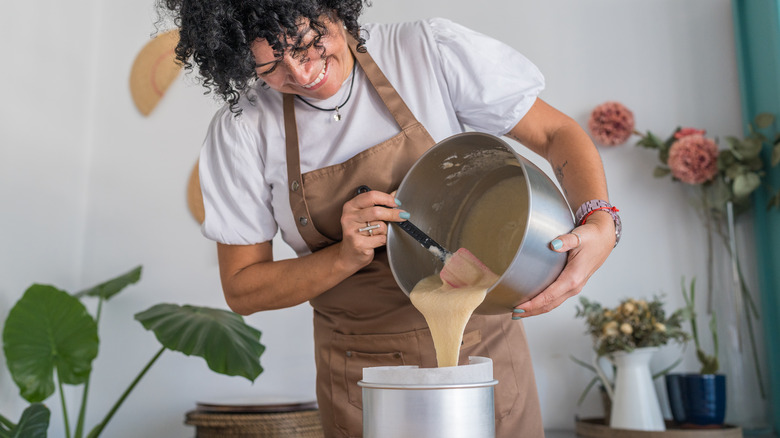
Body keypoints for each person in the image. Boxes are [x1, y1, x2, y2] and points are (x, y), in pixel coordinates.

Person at [157, 0, 620, 436]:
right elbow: (243, 287)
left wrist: (598, 218)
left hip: (483, 353)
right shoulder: (244, 128)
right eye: (270, 67)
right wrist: (342, 257)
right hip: (362, 375)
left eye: (306, 44)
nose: (301, 73)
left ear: (333, 8)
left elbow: (556, 132)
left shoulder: (423, 52)